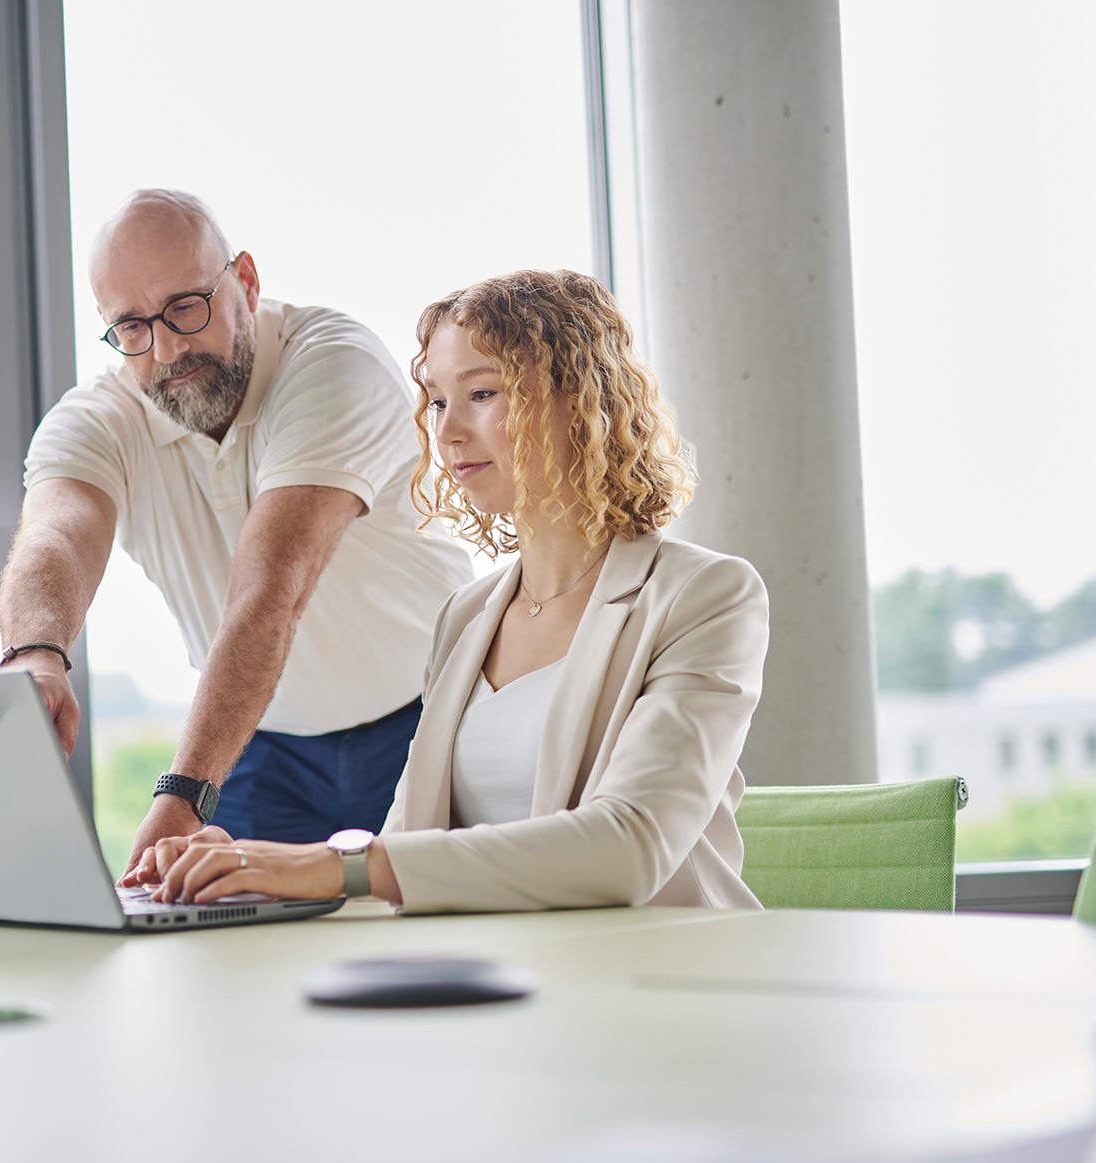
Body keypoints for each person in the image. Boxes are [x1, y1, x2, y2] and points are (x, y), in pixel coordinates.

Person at [128, 269, 768, 913]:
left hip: (662, 986)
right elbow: (406, 862)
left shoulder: (706, 596)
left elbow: (630, 847)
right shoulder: (465, 618)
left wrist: (325, 864)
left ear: (580, 397)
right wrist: (239, 873)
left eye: (482, 393)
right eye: (436, 401)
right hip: (503, 987)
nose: (447, 431)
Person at [0, 189, 472, 871]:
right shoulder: (100, 418)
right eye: (131, 326)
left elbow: (272, 587)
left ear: (245, 282)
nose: (167, 347)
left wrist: (184, 791)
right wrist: (36, 652)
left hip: (430, 714)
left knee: (448, 942)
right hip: (259, 738)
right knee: (229, 947)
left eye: (186, 306)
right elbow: (56, 535)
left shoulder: (333, 363)